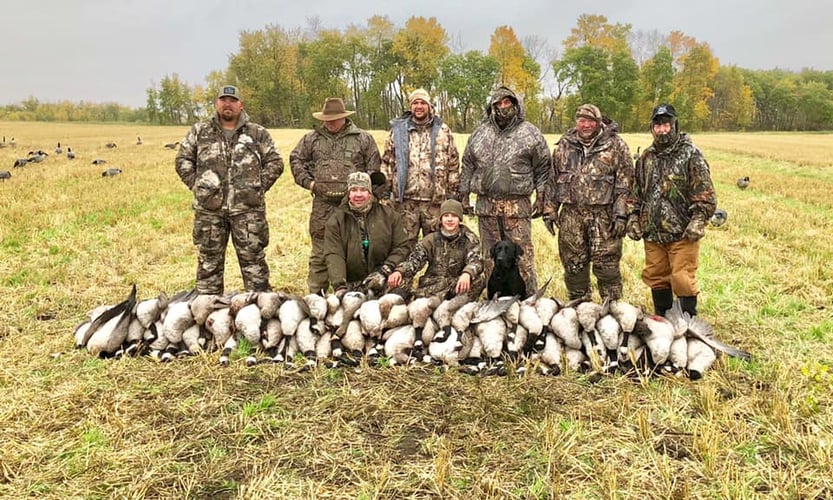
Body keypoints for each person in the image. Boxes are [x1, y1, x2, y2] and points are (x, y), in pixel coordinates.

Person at [175, 85, 284, 294]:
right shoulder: (200, 131)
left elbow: (275, 162)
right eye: (223, 100)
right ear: (217, 103)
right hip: (209, 213)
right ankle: (209, 313)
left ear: (240, 105)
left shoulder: (257, 133)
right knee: (208, 265)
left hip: (248, 212)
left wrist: (257, 187)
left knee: (255, 266)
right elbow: (182, 160)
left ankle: (259, 312)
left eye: (232, 100)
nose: (227, 104)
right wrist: (198, 186)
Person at [627, 103, 716, 317]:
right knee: (657, 276)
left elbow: (705, 194)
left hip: (682, 233)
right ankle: (664, 321)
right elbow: (636, 192)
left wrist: (698, 220)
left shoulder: (690, 155)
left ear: (675, 125)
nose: (662, 130)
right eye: (657, 126)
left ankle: (688, 324)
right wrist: (633, 217)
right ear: (652, 128)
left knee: (682, 278)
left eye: (666, 124)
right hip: (653, 233)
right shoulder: (646, 158)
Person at [459, 86, 551, 294]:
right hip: (486, 206)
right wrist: (463, 196)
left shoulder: (530, 133)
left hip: (516, 207)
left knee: (523, 258)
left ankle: (528, 305)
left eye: (507, 102)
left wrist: (541, 196)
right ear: (492, 106)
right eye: (498, 104)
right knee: (490, 258)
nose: (503, 107)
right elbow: (467, 165)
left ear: (515, 104)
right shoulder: (480, 134)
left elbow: (543, 167)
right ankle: (492, 303)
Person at [290, 97, 381, 293]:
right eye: (327, 119)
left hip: (354, 206)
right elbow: (295, 159)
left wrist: (366, 195)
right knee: (320, 252)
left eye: (334, 118)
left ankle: (355, 293)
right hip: (323, 206)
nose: (330, 122)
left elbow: (374, 169)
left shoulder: (363, 138)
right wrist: (310, 184)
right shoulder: (311, 139)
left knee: (356, 249)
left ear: (344, 117)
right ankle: (316, 296)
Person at [546, 104, 634, 301]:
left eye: (591, 121)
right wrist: (550, 210)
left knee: (607, 265)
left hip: (603, 216)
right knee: (573, 264)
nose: (586, 125)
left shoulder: (615, 145)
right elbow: (552, 180)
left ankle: (612, 310)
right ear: (576, 121)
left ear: (599, 122)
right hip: (571, 214)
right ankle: (579, 307)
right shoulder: (564, 145)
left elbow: (625, 183)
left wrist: (620, 214)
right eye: (582, 120)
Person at [380, 88, 460, 245]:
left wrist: (452, 196)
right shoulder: (397, 131)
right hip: (405, 202)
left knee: (437, 247)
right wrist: (385, 192)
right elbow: (387, 162)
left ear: (429, 106)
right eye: (415, 103)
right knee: (403, 247)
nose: (419, 106)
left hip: (435, 203)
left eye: (423, 103)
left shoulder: (443, 131)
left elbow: (453, 164)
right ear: (410, 106)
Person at [324, 172, 411, 297]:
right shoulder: (336, 221)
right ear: (348, 193)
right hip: (352, 284)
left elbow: (402, 246)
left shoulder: (390, 216)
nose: (358, 194)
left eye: (363, 190)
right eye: (354, 190)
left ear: (370, 193)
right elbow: (334, 254)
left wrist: (386, 270)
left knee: (399, 300)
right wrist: (340, 286)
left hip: (384, 277)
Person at [387, 199, 484, 300]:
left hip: (456, 285)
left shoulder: (469, 239)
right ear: (441, 219)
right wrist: (399, 271)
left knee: (478, 280)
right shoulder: (430, 239)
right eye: (446, 216)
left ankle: (457, 304)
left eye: (454, 216)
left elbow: (476, 261)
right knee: (401, 278)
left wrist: (467, 273)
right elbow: (414, 261)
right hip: (433, 285)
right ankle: (407, 301)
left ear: (460, 219)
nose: (449, 219)